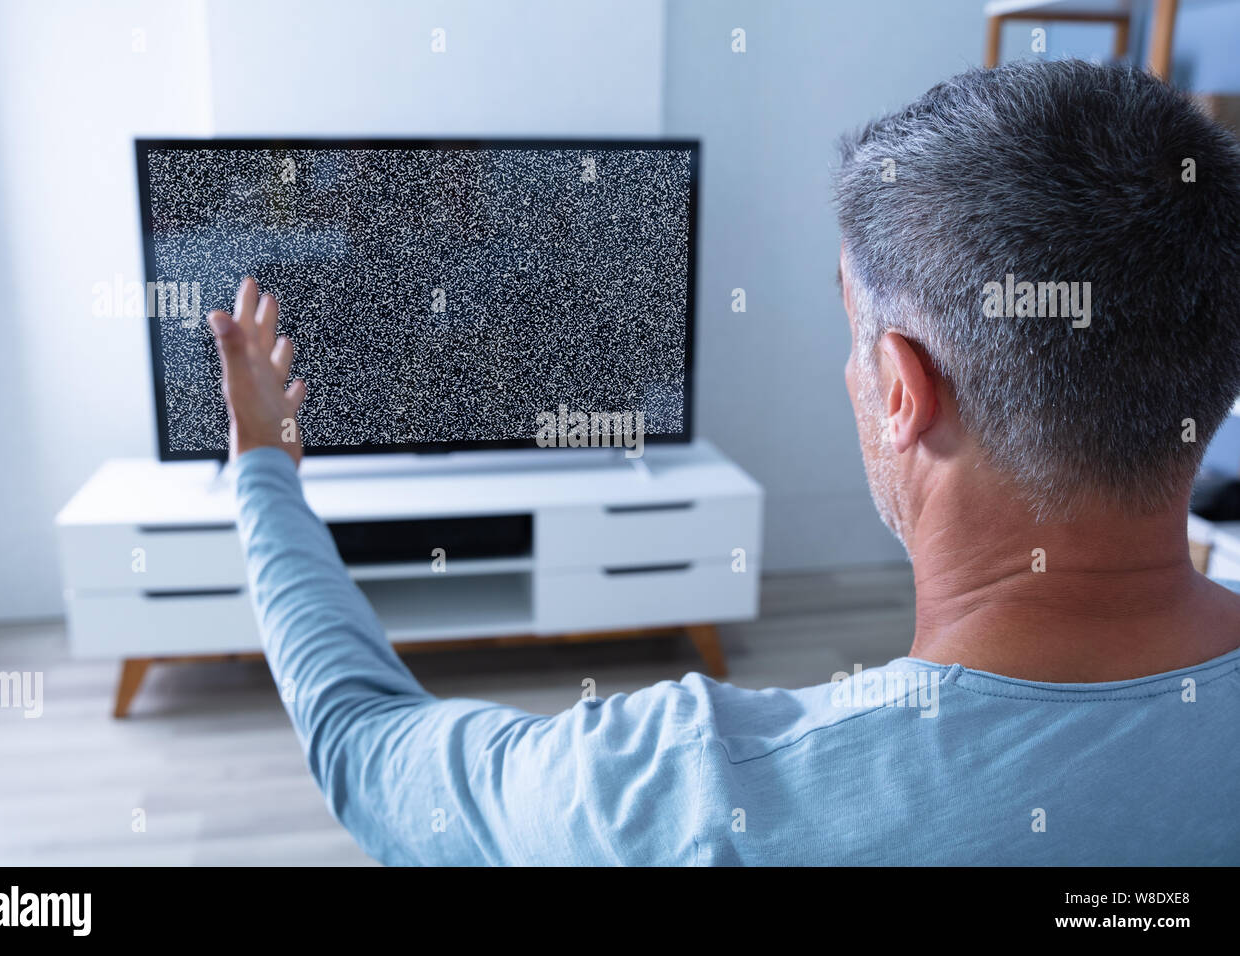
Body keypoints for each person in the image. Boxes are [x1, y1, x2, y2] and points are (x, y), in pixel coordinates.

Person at [207, 59, 1240, 865]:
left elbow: (361, 739)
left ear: (898, 387)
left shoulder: (675, 793)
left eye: (851, 334)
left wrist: (261, 460)